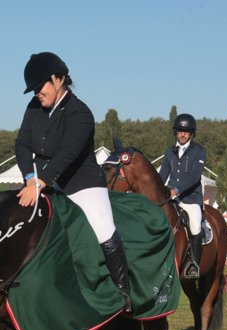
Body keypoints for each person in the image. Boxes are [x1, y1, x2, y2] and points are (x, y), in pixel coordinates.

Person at [15, 52, 131, 312]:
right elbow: (22, 144)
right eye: (34, 90)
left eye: (40, 87)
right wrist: (30, 178)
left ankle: (123, 293)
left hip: (82, 184)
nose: (37, 94)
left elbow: (66, 155)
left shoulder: (80, 113)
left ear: (58, 79)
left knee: (103, 228)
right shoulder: (33, 108)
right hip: (42, 182)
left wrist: (39, 183)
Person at [158, 113, 206, 280]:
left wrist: (176, 189)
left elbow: (195, 176)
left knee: (195, 225)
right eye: (180, 131)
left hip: (191, 200)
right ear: (176, 132)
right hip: (172, 200)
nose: (183, 134)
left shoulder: (199, 151)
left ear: (192, 133)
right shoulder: (169, 152)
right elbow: (162, 175)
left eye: (186, 131)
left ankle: (194, 264)